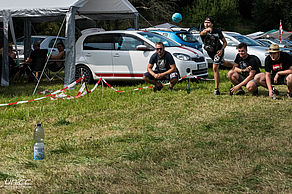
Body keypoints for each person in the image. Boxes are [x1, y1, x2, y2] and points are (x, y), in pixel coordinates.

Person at [200, 17, 227, 95]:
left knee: (215, 68)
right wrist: (207, 30)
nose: (206, 24)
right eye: (205, 22)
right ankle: (234, 66)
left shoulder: (217, 31)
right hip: (210, 52)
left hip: (218, 52)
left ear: (212, 23)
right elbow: (202, 33)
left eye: (208, 22)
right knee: (223, 63)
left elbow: (225, 42)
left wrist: (222, 50)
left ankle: (216, 89)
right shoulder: (202, 30)